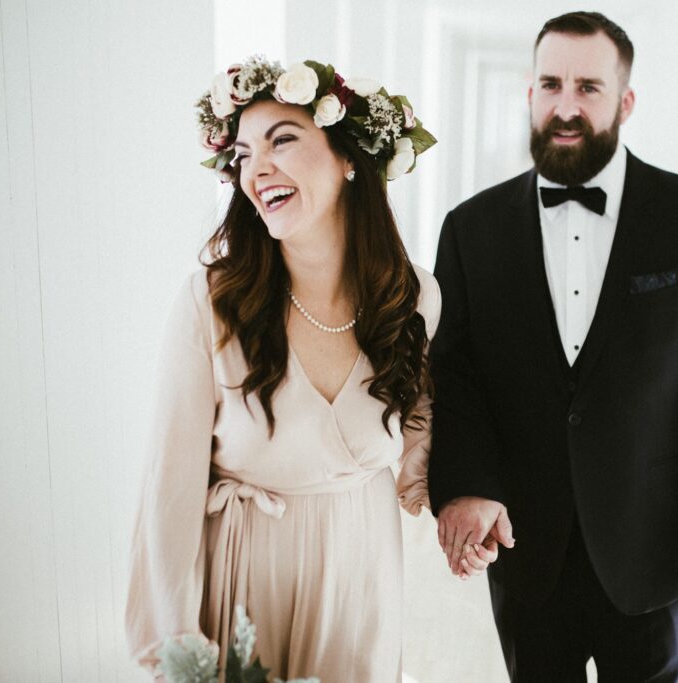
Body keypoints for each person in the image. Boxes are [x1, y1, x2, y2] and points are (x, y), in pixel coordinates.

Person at [125, 56, 494, 681]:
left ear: (351, 159)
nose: (257, 168)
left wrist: (469, 499)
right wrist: (178, 643)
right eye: (242, 154)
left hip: (362, 575)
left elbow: (418, 447)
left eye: (283, 141)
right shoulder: (210, 304)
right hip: (246, 577)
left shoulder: (414, 298)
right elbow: (169, 493)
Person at [428, 11, 678, 681]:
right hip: (526, 547)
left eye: (589, 87)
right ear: (529, 92)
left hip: (653, 547)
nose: (566, 105)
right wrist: (468, 485)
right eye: (551, 83)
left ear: (625, 101)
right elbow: (453, 373)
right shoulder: (471, 230)